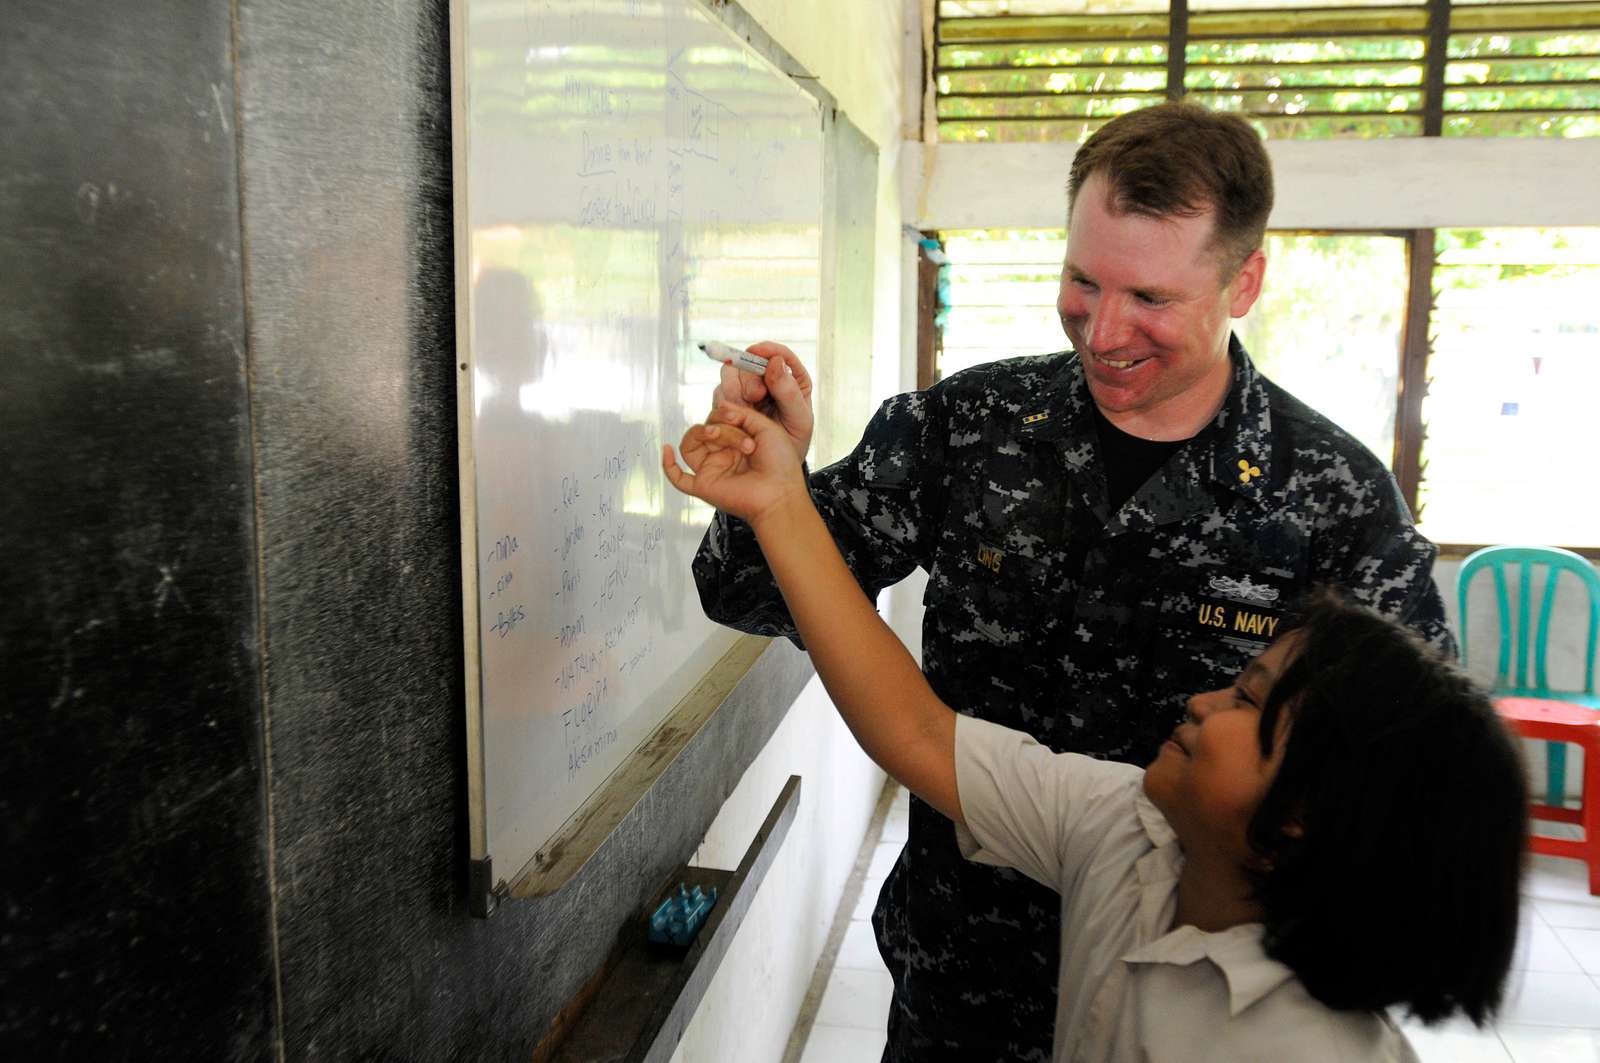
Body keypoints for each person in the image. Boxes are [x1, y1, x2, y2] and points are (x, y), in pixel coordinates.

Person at [692, 102, 1456, 1060]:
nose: (1102, 331)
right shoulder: (972, 423)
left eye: (1149, 299)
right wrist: (774, 484)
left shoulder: (1334, 502)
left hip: (1199, 1013)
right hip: (957, 994)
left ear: (1244, 280)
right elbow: (747, 591)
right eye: (1081, 281)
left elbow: (1405, 790)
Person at [663, 404, 1525, 1062]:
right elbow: (918, 731)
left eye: (1248, 703)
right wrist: (779, 504)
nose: (1201, 702)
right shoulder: (1129, 830)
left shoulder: (1299, 1043)